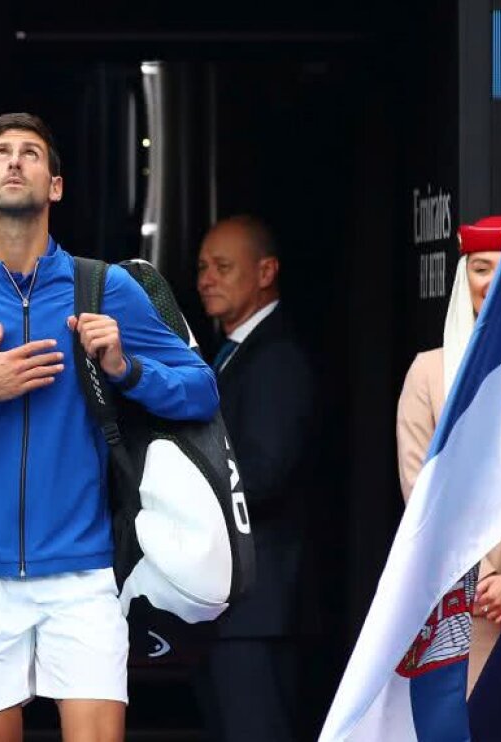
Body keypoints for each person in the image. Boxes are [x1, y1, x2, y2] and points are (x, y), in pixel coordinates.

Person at [0, 112, 219, 741]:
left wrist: (125, 366)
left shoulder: (103, 287)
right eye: (0, 152)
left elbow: (201, 391)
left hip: (84, 574)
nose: (14, 161)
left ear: (54, 186)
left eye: (31, 153)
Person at [395, 215, 501, 693]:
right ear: (463, 277)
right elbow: (419, 485)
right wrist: (483, 578)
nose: (492, 281)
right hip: (461, 585)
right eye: (481, 268)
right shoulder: (429, 371)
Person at [193, 215, 318, 742]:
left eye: (223, 267)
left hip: (261, 605)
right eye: (202, 267)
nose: (206, 279)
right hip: (231, 607)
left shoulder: (278, 357)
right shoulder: (231, 351)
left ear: (266, 272)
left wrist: (179, 491)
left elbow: (263, 473)